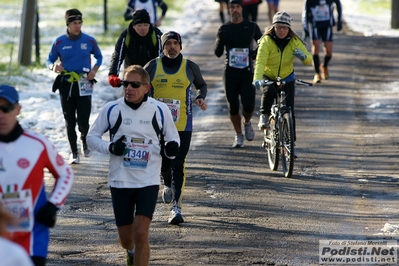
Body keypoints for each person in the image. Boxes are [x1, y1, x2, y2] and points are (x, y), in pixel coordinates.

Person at [87, 65, 180, 266]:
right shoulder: (112, 109)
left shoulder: (159, 110)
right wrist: (110, 147)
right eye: (125, 84)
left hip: (148, 179)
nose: (128, 88)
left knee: (140, 232)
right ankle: (129, 252)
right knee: (127, 239)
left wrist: (172, 148)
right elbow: (91, 138)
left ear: (146, 87)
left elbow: (173, 139)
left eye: (134, 84)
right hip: (120, 180)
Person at [0, 84, 74, 266]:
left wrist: (52, 206)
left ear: (18, 110)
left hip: (33, 237)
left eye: (6, 108)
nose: (1, 115)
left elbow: (65, 174)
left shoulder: (37, 144)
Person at [144, 31, 207, 225]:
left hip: (182, 125)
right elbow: (140, 87)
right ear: (162, 48)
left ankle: (176, 208)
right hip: (157, 126)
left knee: (178, 163)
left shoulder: (190, 67)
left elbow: (202, 85)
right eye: (167, 44)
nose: (172, 47)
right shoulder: (153, 66)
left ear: (180, 46)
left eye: (175, 43)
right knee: (163, 163)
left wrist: (200, 97)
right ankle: (167, 181)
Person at [46, 8, 103, 164]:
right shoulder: (59, 41)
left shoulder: (89, 40)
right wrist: (53, 67)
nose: (78, 26)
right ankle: (74, 152)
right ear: (68, 25)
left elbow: (99, 57)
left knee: (83, 121)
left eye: (80, 23)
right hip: (66, 84)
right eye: (74, 23)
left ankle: (84, 140)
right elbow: (49, 60)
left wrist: (94, 70)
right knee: (69, 120)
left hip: (84, 84)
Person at [253, 11, 313, 157]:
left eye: (284, 28)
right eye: (278, 27)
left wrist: (303, 57)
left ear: (289, 29)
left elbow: (309, 60)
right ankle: (264, 115)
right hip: (269, 74)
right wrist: (257, 78)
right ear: (273, 27)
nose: (281, 30)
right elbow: (260, 61)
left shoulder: (294, 41)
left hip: (287, 76)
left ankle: (291, 145)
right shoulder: (266, 41)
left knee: (290, 110)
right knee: (270, 91)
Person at [214, 0, 263, 148]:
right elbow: (217, 53)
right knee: (233, 107)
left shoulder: (251, 27)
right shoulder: (225, 29)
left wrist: (254, 54)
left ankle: (247, 122)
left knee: (249, 106)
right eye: (232, 7)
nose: (235, 10)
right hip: (230, 73)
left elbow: (262, 44)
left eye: (237, 7)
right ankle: (238, 134)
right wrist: (220, 39)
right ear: (229, 10)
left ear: (241, 9)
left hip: (247, 72)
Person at [108, 9, 163, 88]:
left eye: (146, 25)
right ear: (133, 26)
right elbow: (118, 55)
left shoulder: (156, 35)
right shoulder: (126, 36)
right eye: (139, 25)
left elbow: (160, 56)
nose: (143, 28)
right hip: (131, 73)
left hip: (151, 73)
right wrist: (113, 74)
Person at [302, 0, 342, 84]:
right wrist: (305, 28)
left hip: (327, 25)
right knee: (316, 47)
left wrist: (339, 20)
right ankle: (317, 73)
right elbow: (305, 12)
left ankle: (324, 66)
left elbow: (338, 4)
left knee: (329, 52)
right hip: (315, 25)